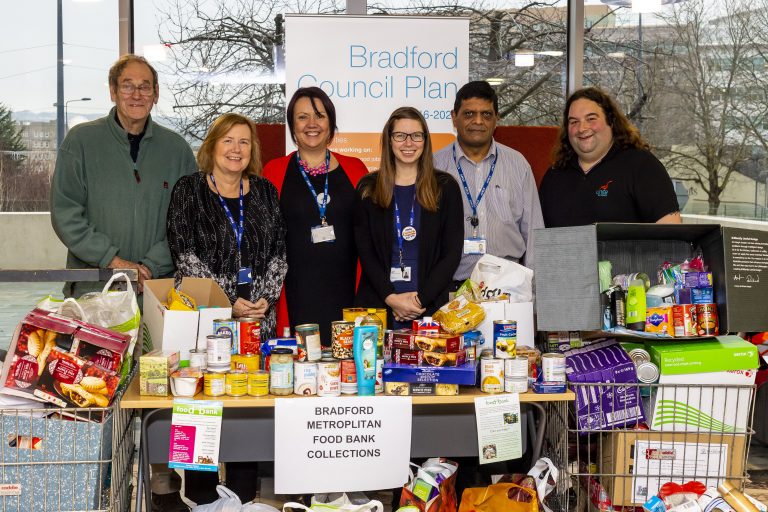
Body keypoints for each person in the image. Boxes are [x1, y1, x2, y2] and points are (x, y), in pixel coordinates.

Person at [50, 54, 196, 512]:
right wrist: (113, 260)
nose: (137, 94)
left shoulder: (175, 148)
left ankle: (169, 487)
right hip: (96, 294)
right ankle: (98, 487)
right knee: (95, 394)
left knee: (166, 393)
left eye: (145, 86)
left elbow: (186, 217)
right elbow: (66, 213)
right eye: (128, 86)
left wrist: (150, 264)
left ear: (156, 93)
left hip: (158, 292)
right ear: (113, 91)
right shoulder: (82, 141)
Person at [166, 113, 287, 504]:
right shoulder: (188, 190)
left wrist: (263, 299)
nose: (236, 149)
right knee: (200, 413)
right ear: (212, 146)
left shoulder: (266, 191)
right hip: (206, 326)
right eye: (228, 141)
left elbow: (280, 253)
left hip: (255, 325)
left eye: (244, 142)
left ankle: (243, 500)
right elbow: (183, 255)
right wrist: (226, 302)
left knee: (247, 418)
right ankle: (200, 500)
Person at [264, 87, 368, 344]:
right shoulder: (274, 171)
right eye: (302, 117)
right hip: (295, 292)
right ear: (292, 125)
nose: (312, 124)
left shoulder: (356, 169)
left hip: (347, 291)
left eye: (319, 116)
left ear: (330, 123)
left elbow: (370, 236)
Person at [355, 107, 463, 328]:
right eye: (400, 136)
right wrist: (391, 298)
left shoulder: (445, 187)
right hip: (379, 307)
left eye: (416, 136)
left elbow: (451, 254)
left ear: (425, 140)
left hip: (429, 308)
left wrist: (418, 301)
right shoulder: (368, 188)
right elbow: (365, 252)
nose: (408, 143)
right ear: (389, 140)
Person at [433, 81, 544, 284]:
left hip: (509, 288)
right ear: (453, 118)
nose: (478, 121)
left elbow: (534, 233)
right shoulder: (434, 166)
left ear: (496, 120)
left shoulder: (518, 164)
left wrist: (534, 296)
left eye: (486, 114)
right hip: (450, 289)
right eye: (468, 114)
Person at [540, 86, 682, 227]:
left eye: (591, 119)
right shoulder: (554, 176)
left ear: (611, 122)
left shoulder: (642, 166)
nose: (582, 128)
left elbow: (671, 232)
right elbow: (538, 236)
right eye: (574, 122)